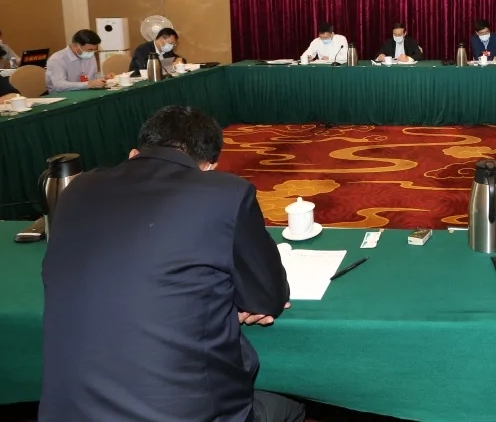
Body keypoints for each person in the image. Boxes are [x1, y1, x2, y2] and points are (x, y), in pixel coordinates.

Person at [40, 106, 304, 422]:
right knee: (290, 407)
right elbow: (268, 297)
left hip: (68, 412)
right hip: (187, 413)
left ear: (134, 153)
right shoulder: (226, 193)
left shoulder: (76, 190)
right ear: (209, 167)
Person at [45, 29, 110, 93]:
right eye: (90, 50)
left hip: (86, 92)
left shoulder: (89, 55)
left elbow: (92, 77)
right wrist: (88, 84)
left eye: (94, 50)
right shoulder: (57, 59)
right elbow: (59, 86)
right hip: (63, 96)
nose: (92, 52)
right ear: (75, 45)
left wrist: (104, 78)